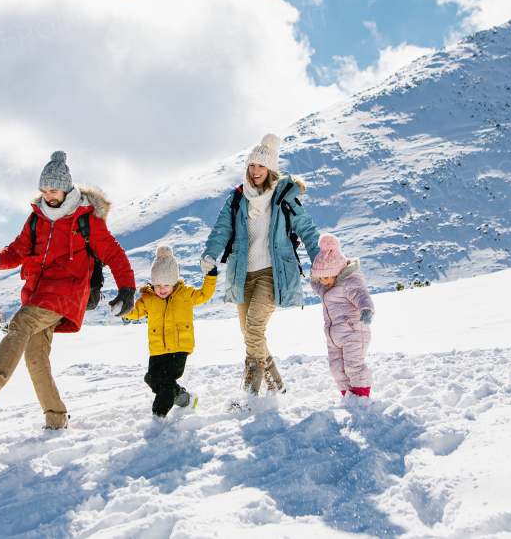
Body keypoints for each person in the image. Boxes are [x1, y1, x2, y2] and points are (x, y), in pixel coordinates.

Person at [0, 151, 137, 430]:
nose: (47, 195)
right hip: (38, 293)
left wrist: (127, 289)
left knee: (21, 321)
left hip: (68, 292)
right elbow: (17, 250)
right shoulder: (37, 218)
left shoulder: (86, 219)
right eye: (44, 190)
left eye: (53, 190)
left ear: (66, 188)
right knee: (36, 358)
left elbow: (114, 254)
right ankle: (56, 420)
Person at [200, 133, 321, 398]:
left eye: (261, 166)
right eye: (252, 165)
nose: (255, 171)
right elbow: (221, 229)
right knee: (249, 333)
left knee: (255, 329)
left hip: (272, 273)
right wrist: (210, 254)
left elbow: (307, 229)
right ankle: (278, 385)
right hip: (243, 274)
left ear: (270, 169)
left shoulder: (283, 197)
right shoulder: (238, 198)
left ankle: (249, 396)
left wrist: (320, 258)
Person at [123, 245, 217, 417]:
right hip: (157, 349)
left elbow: (204, 294)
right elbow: (134, 312)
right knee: (152, 379)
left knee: (166, 382)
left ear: (174, 282)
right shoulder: (149, 298)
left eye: (167, 283)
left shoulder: (185, 294)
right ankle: (185, 399)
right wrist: (121, 308)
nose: (162, 288)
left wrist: (210, 276)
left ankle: (158, 416)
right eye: (157, 284)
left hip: (179, 347)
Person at [309, 234, 374, 397]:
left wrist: (366, 310)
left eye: (325, 277)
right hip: (334, 338)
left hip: (354, 333)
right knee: (336, 369)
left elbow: (361, 295)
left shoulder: (350, 283)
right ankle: (347, 395)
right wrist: (312, 276)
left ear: (336, 272)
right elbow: (316, 285)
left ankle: (361, 394)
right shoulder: (326, 287)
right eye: (320, 278)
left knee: (354, 366)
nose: (322, 281)